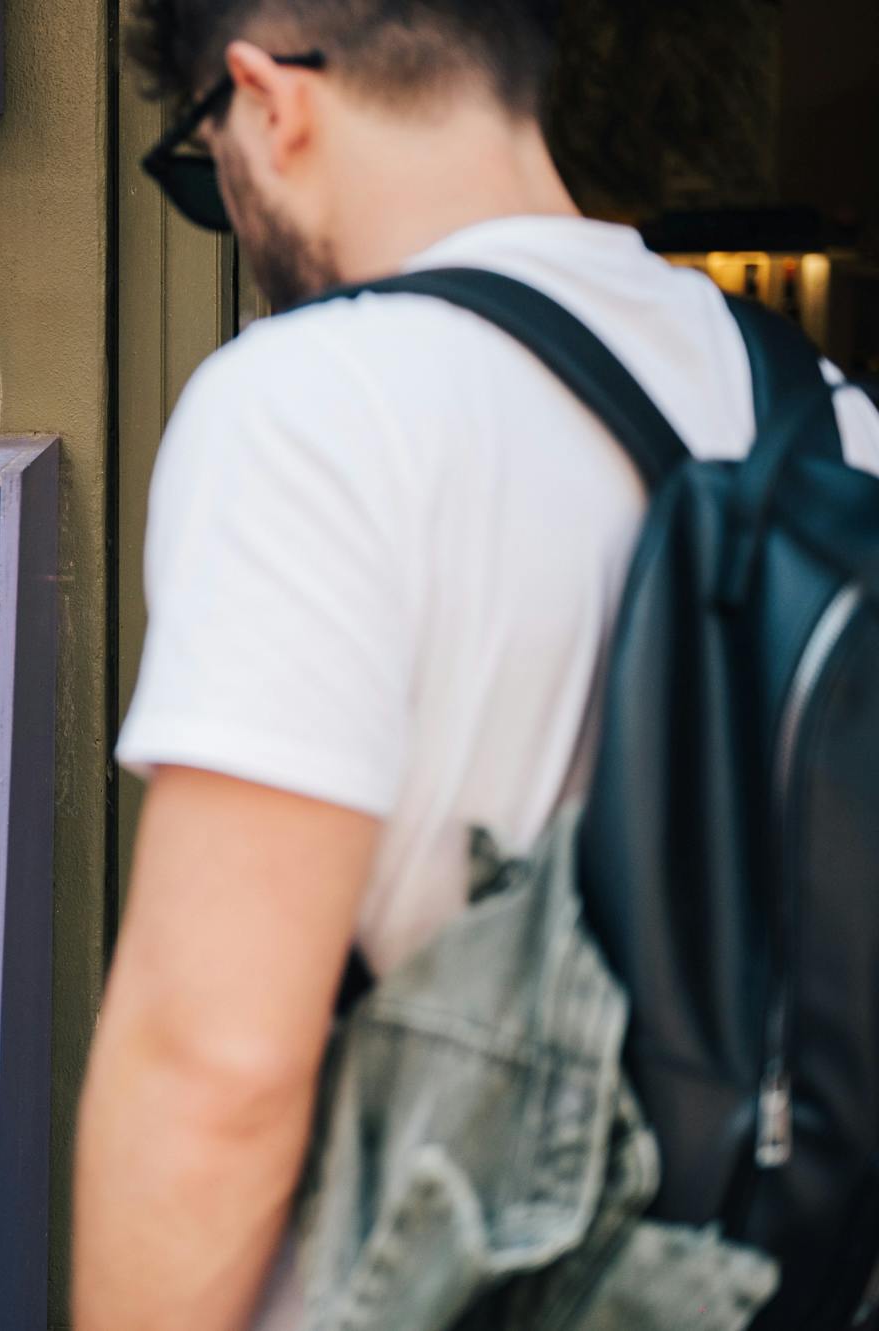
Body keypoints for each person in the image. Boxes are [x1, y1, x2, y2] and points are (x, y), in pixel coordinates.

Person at [74, 0, 879, 1327]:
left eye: (202, 164)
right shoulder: (829, 415)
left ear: (270, 102)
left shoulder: (314, 405)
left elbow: (213, 1067)